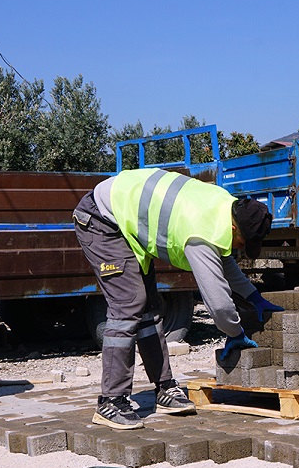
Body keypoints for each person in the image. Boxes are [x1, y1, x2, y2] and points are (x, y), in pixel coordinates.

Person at [73, 167, 281, 430]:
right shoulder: (200, 232)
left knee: (149, 307)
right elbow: (216, 302)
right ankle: (111, 401)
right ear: (232, 227)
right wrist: (235, 331)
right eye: (242, 242)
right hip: (101, 219)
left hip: (125, 220)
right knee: (128, 304)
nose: (240, 248)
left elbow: (225, 263)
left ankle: (164, 388)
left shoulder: (225, 206)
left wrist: (254, 298)